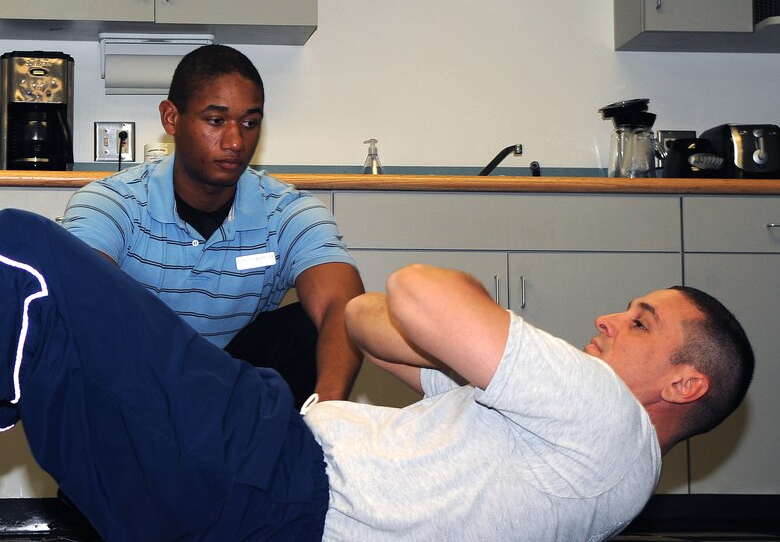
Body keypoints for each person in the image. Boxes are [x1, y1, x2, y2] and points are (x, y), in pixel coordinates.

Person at [0, 210, 754, 541]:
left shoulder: (604, 417)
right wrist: (470, 355)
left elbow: (418, 292)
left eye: (640, 322)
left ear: (686, 384)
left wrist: (494, 335)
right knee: (48, 352)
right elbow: (361, 317)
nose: (607, 322)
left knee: (24, 252)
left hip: (270, 471)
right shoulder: (586, 462)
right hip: (254, 502)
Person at [62, 44, 364, 408]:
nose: (236, 142)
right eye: (216, 121)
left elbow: (341, 303)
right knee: (78, 313)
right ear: (171, 118)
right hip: (139, 388)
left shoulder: (285, 212)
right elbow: (79, 297)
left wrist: (330, 412)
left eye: (250, 123)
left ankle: (286, 452)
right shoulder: (114, 203)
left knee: (316, 323)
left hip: (232, 391)